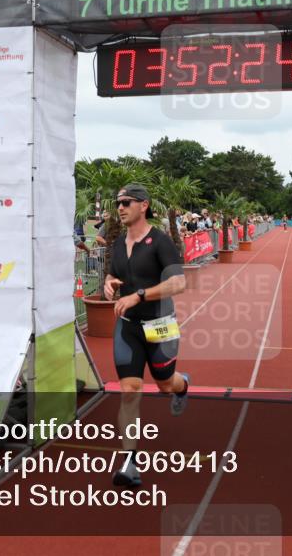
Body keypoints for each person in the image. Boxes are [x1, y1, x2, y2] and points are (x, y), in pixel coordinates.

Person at [103, 184, 189, 488]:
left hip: (160, 324)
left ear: (144, 205)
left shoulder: (160, 241)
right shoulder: (116, 244)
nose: (121, 207)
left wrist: (140, 295)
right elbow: (113, 275)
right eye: (118, 202)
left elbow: (178, 283)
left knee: (165, 384)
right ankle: (130, 462)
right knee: (129, 390)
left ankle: (182, 386)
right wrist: (110, 284)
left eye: (126, 202)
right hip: (127, 326)